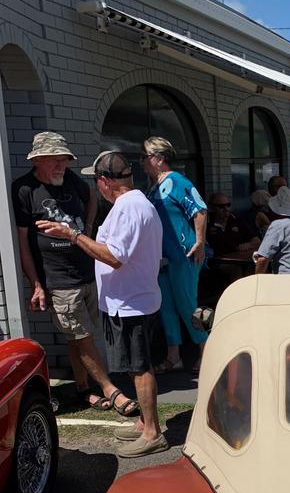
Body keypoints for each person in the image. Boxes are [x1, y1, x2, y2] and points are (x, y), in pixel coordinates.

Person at [36, 151, 167, 457]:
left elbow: (113, 257)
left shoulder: (128, 207)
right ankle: (144, 424)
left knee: (140, 368)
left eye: (97, 180)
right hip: (135, 300)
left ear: (105, 181)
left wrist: (73, 234)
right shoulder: (135, 203)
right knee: (139, 367)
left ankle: (152, 433)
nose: (97, 187)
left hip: (132, 303)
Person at [12, 131, 137, 414]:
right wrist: (36, 284)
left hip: (87, 271)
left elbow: (91, 197)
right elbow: (22, 242)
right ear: (38, 160)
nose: (61, 166)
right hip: (58, 279)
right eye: (55, 161)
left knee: (79, 337)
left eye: (64, 160)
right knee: (81, 336)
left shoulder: (70, 180)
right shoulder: (24, 189)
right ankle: (110, 389)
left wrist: (86, 231)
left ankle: (83, 389)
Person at [142, 137, 208, 374]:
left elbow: (199, 209)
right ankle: (174, 355)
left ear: (159, 159)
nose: (142, 162)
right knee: (166, 305)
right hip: (162, 257)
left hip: (184, 253)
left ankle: (206, 349)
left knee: (187, 303)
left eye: (145, 157)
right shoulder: (153, 186)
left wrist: (199, 241)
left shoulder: (177, 181)